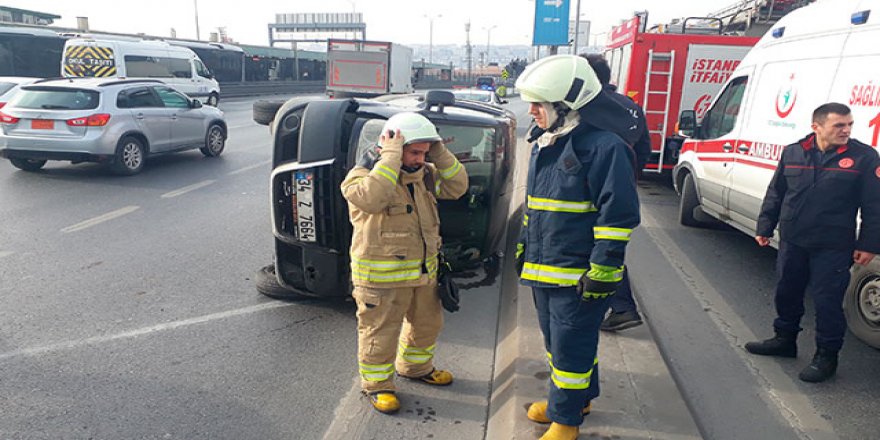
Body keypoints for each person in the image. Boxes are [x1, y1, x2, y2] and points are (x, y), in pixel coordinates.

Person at [514, 55, 641, 440]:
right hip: (544, 268)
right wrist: (524, 247)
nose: (531, 111)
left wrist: (603, 272)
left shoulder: (605, 148)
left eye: (539, 103)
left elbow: (618, 218)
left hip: (578, 276)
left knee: (571, 347)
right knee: (559, 343)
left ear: (566, 105)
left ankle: (566, 422)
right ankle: (576, 399)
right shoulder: (546, 142)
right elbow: (537, 206)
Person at [340, 112, 468, 413]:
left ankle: (416, 368)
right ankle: (378, 386)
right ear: (393, 147)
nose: (420, 159)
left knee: (426, 325)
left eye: (424, 152)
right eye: (415, 151)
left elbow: (458, 186)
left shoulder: (423, 176)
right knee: (379, 333)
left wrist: (439, 152)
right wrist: (391, 157)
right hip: (381, 281)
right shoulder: (359, 179)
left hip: (423, 276)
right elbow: (373, 198)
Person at [747, 102, 880, 383]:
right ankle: (784, 340)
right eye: (839, 125)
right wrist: (765, 226)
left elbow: (874, 205)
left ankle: (826, 356)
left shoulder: (865, 158)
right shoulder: (794, 152)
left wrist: (869, 244)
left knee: (828, 302)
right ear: (816, 127)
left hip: (832, 245)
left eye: (849, 125)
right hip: (793, 240)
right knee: (787, 292)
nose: (846, 130)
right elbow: (776, 193)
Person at [584, 53, 651, 332]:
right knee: (609, 246)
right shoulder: (631, 107)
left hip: (591, 189)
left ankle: (622, 307)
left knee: (597, 248)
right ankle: (621, 306)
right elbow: (645, 148)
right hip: (622, 186)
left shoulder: (590, 107)